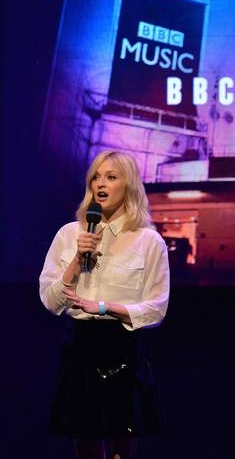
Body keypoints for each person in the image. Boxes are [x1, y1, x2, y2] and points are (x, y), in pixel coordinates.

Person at [39, 151, 170, 459]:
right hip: (80, 351)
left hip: (124, 353)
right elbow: (51, 302)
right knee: (85, 445)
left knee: (122, 448)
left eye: (111, 177)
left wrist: (103, 307)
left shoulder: (148, 241)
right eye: (96, 177)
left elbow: (157, 309)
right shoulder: (69, 234)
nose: (101, 183)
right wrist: (76, 259)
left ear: (129, 185)